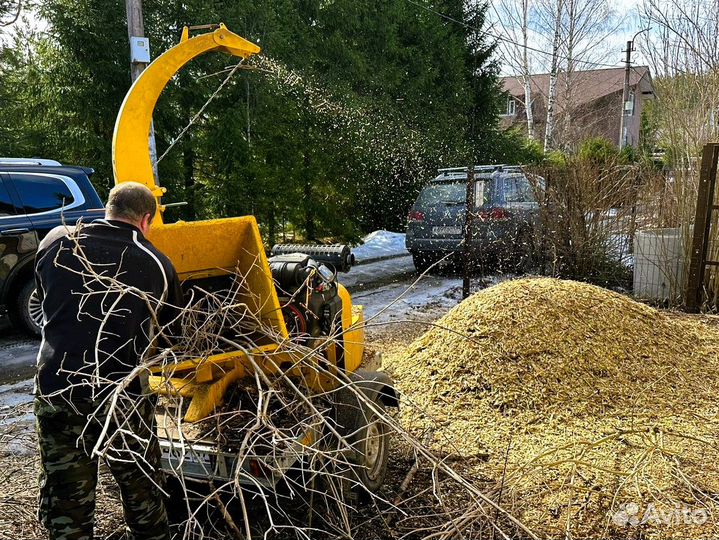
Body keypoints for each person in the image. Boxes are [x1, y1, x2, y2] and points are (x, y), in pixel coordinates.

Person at [34, 182, 184, 540]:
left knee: (66, 501)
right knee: (142, 491)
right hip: (123, 398)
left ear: (108, 208)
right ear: (146, 219)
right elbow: (172, 337)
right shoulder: (156, 264)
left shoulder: (55, 241)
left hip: (60, 389)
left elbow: (46, 298)